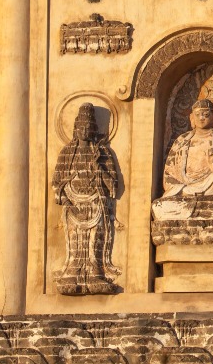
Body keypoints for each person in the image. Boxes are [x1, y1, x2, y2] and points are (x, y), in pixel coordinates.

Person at [52, 103, 120, 295]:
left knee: (95, 239)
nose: (84, 131)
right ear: (75, 129)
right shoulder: (67, 153)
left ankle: (95, 272)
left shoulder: (103, 153)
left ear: (93, 130)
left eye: (88, 127)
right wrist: (66, 201)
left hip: (95, 203)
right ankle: (73, 270)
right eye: (80, 127)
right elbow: (57, 182)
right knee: (75, 240)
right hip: (73, 203)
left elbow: (112, 186)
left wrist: (99, 171)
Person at [152, 98, 213, 222]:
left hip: (212, 189)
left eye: (206, 114)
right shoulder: (182, 141)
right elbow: (168, 175)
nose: (202, 118)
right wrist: (183, 188)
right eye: (198, 115)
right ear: (191, 118)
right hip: (184, 191)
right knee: (159, 206)